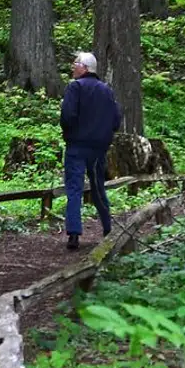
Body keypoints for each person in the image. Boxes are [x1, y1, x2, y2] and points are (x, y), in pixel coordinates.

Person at [59, 51, 122, 250]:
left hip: (76, 147)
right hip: (98, 149)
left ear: (85, 67)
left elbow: (67, 115)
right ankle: (107, 228)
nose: (73, 67)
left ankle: (74, 234)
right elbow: (116, 120)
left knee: (74, 189)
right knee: (98, 188)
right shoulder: (107, 90)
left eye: (75, 63)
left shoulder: (75, 87)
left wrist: (70, 133)